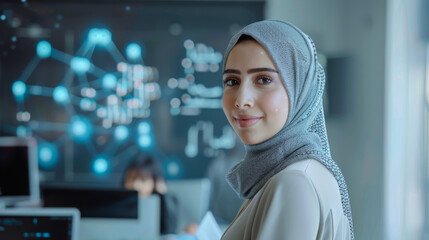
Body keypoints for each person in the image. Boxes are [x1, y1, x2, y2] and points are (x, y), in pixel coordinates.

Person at [220, 20, 354, 240]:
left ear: (300, 88)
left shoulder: (294, 182)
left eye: (263, 79)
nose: (241, 100)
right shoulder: (286, 170)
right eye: (232, 81)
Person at [123, 155, 179, 235]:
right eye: (131, 179)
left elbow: (169, 233)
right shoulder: (119, 205)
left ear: (155, 182)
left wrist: (164, 196)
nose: (136, 185)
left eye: (143, 180)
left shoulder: (164, 204)